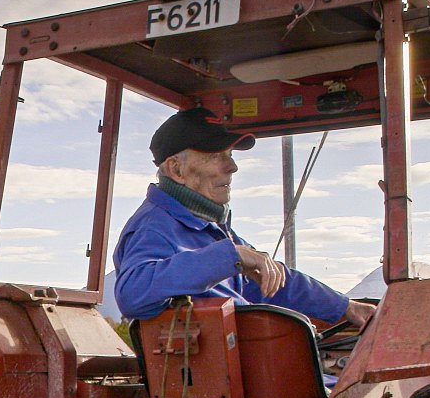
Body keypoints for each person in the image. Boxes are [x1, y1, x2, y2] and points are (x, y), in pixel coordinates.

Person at [114, 107, 376, 331]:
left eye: (230, 155)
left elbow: (275, 282)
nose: (232, 167)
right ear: (176, 169)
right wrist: (232, 255)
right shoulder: (154, 227)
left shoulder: (209, 228)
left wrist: (346, 307)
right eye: (216, 156)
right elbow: (132, 293)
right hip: (216, 381)